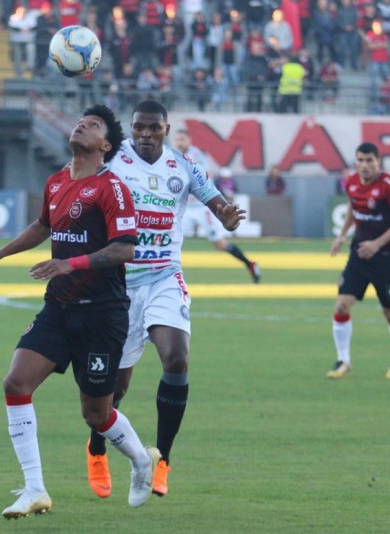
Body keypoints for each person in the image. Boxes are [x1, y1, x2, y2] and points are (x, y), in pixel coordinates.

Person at [0, 104, 159, 519]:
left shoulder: (112, 188)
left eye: (92, 125)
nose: (81, 125)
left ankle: (143, 460)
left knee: (96, 414)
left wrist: (69, 264)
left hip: (102, 314)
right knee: (16, 381)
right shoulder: (56, 182)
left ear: (105, 145)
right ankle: (35, 488)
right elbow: (43, 227)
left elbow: (125, 248)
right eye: (80, 121)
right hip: (59, 307)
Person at [84, 100, 245, 500]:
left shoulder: (184, 166)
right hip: (119, 285)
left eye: (154, 128)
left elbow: (216, 200)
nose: (145, 134)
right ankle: (97, 447)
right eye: (139, 127)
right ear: (131, 129)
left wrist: (225, 215)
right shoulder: (112, 161)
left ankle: (164, 460)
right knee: (113, 390)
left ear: (165, 129)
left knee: (177, 358)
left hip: (164, 277)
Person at [327, 142, 390, 380]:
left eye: (369, 161)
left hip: (386, 258)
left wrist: (377, 244)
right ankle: (343, 360)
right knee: (342, 304)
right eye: (360, 161)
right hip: (360, 254)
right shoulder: (351, 182)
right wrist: (342, 235)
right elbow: (353, 208)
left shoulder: (388, 186)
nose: (364, 166)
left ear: (378, 162)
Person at [173, 129, 261, 283]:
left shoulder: (196, 156)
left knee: (220, 244)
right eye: (177, 140)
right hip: (184, 208)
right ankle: (166, 276)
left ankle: (250, 264)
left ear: (189, 141)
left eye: (182, 139)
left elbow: (200, 177)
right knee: (170, 240)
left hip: (201, 208)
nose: (179, 143)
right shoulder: (170, 154)